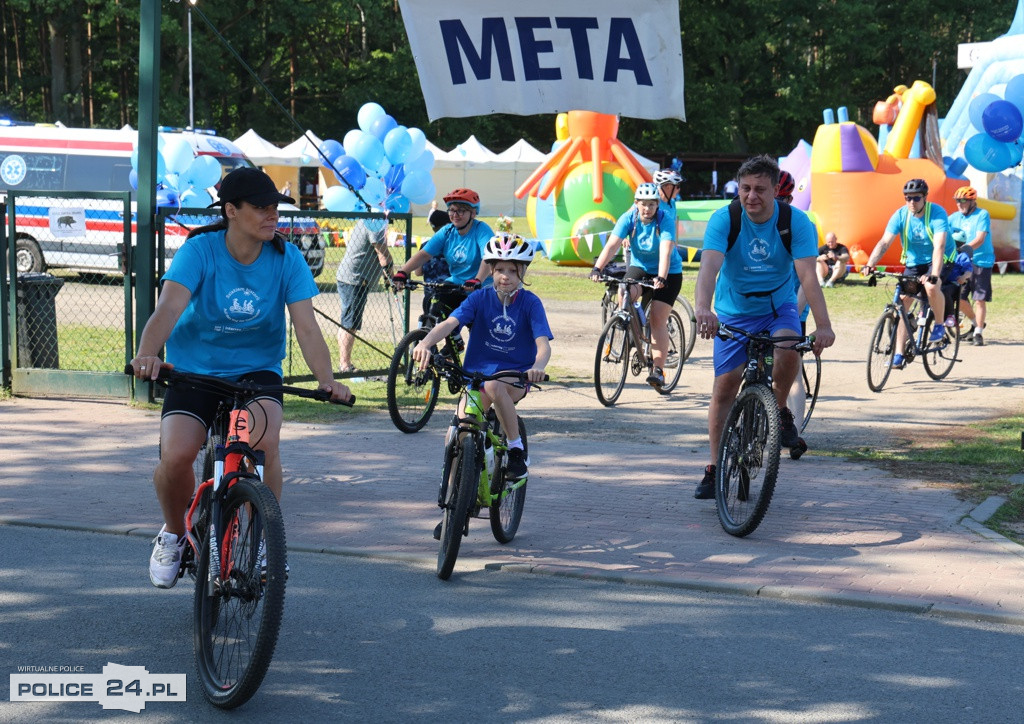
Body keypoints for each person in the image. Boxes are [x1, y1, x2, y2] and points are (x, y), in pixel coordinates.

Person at [129, 167, 352, 588]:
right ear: (231, 211)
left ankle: (266, 540)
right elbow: (169, 308)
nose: (273, 215)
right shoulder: (199, 251)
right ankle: (174, 533)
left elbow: (306, 327)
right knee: (176, 457)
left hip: (256, 372)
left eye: (275, 207)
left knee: (264, 442)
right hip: (194, 369)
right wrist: (147, 355)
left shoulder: (286, 259)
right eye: (262, 207)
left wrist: (328, 379)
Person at [693, 154, 834, 499]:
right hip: (733, 308)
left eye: (760, 189)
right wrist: (702, 309)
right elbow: (709, 268)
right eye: (745, 188)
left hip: (777, 305)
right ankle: (713, 468)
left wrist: (824, 325)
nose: (751, 196)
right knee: (725, 387)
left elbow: (807, 277)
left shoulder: (796, 222)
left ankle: (780, 410)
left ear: (776, 191)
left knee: (789, 345)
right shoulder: (724, 219)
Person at [411, 234, 552, 538]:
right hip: (477, 375)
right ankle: (452, 509)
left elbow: (543, 344)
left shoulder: (530, 303)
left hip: (513, 377)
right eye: (499, 269)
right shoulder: (479, 298)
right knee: (456, 432)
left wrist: (537, 367)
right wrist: (425, 343)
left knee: (495, 388)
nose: (505, 276)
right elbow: (450, 323)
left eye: (512, 271)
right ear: (489, 269)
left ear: (522, 273)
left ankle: (515, 451)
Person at [589, 183, 683, 391]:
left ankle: (658, 370)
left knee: (657, 317)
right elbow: (612, 244)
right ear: (636, 204)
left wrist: (661, 277)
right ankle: (631, 330)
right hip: (640, 266)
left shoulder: (664, 220)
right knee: (625, 291)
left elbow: (666, 251)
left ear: (657, 205)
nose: (647, 208)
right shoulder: (628, 218)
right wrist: (597, 268)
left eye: (652, 204)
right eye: (643, 204)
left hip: (668, 272)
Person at [863, 178, 954, 368]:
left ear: (925, 198)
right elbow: (884, 242)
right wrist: (870, 264)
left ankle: (939, 325)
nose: (911, 202)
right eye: (908, 198)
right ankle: (899, 354)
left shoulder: (937, 213)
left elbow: (939, 246)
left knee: (930, 287)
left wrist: (934, 275)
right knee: (902, 304)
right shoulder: (900, 215)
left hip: (939, 259)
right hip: (914, 263)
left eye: (916, 198)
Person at [391, 188, 493, 316]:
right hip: (457, 282)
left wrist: (478, 280)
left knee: (477, 326)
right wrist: (403, 272)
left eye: (461, 210)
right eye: (451, 210)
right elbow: (424, 254)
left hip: (482, 286)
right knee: (436, 304)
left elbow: (489, 257)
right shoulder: (447, 231)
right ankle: (450, 335)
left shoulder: (481, 230)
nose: (455, 215)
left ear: (473, 213)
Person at [336, 218, 394, 373]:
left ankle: (345, 364)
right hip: (354, 278)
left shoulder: (373, 220)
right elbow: (383, 254)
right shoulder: (375, 222)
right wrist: (392, 279)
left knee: (350, 321)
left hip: (356, 278)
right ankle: (345, 365)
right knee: (350, 323)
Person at [948, 186, 992, 346]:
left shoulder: (982, 215)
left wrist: (964, 248)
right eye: (957, 201)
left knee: (979, 299)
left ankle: (978, 334)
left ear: (973, 201)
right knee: (959, 297)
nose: (960, 203)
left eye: (963, 200)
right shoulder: (953, 218)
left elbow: (980, 239)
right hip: (961, 262)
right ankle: (976, 323)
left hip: (981, 261)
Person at [418, 201, 453, 317]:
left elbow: (417, 272)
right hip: (450, 294)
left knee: (429, 325)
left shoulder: (425, 246)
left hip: (429, 295)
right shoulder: (452, 246)